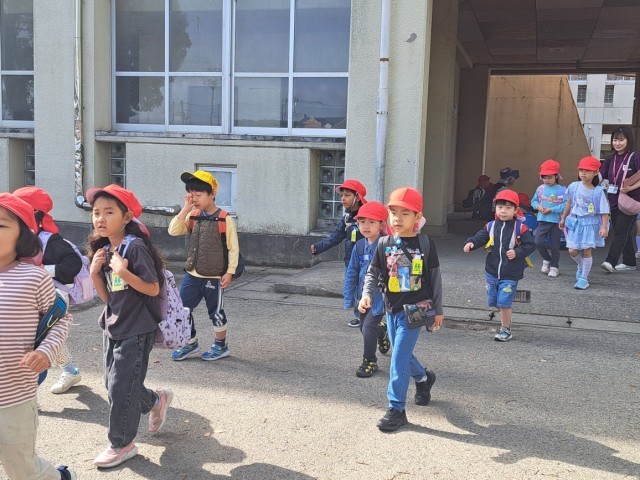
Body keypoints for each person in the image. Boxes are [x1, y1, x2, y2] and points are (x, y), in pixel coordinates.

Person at [86, 184, 173, 469]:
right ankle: (155, 400)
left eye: (109, 212)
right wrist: (95, 273)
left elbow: (152, 287)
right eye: (96, 212)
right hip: (113, 324)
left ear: (126, 217)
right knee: (113, 385)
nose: (100, 218)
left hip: (137, 328)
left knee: (121, 388)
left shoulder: (134, 247)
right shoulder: (105, 248)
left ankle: (121, 444)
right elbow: (108, 298)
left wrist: (123, 271)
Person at [0, 193, 76, 480]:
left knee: (21, 468)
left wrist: (46, 351)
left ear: (23, 237)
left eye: (1, 225)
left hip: (14, 396)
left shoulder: (33, 278)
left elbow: (61, 319)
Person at [359, 187, 444, 432]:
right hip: (391, 309)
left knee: (398, 359)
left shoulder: (425, 244)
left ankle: (396, 409)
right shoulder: (383, 243)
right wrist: (366, 294)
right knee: (401, 354)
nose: (397, 218)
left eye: (405, 213)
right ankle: (424, 378)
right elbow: (373, 273)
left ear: (417, 217)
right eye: (393, 212)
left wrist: (438, 310)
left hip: (416, 310)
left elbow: (435, 278)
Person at [13, 186, 84, 394]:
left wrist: (43, 271)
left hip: (54, 297)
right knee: (44, 337)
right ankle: (70, 371)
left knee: (40, 338)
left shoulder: (50, 240)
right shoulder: (17, 236)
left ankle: (27, 392)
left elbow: (73, 264)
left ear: (34, 213)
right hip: (27, 297)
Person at [168, 170, 240, 361]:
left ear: (212, 194)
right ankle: (190, 342)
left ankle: (220, 346)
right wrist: (185, 209)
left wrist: (230, 272)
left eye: (199, 194)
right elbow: (173, 230)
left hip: (214, 275)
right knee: (182, 309)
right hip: (193, 274)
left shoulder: (224, 218)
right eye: (191, 194)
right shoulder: (192, 215)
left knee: (215, 312)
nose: (194, 199)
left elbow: (233, 248)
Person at [463, 189, 536, 341]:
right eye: (500, 207)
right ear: (495, 208)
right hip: (492, 271)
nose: (503, 211)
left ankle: (505, 329)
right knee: (493, 301)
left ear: (515, 210)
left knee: (503, 303)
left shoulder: (520, 228)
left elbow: (531, 245)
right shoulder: (490, 226)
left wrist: (517, 252)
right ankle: (505, 313)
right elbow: (480, 238)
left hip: (511, 273)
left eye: (508, 208)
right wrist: (470, 243)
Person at [343, 201, 390, 378]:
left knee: (368, 326)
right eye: (362, 222)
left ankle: (370, 361)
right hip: (362, 297)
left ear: (382, 225)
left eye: (371, 222)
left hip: (380, 298)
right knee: (364, 327)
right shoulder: (359, 246)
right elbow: (352, 273)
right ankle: (382, 331)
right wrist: (349, 298)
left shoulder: (386, 246)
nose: (366, 226)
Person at [311, 179, 367, 327]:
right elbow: (335, 237)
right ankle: (360, 316)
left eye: (347, 195)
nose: (342, 199)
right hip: (351, 261)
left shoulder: (367, 217)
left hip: (367, 260)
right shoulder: (347, 219)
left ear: (357, 197)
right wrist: (318, 247)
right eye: (342, 195)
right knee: (354, 288)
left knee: (365, 288)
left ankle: (368, 317)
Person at [559, 157, 610, 289]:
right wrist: (563, 218)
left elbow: (604, 211)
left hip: (590, 224)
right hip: (576, 223)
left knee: (587, 251)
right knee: (572, 250)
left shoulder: (598, 191)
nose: (583, 173)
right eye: (581, 170)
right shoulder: (573, 186)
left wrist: (604, 227)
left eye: (587, 170)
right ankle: (581, 265)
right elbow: (569, 203)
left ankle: (584, 278)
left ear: (595, 172)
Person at [599, 126, 640, 272]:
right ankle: (629, 262)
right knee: (622, 231)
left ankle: (610, 261)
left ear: (628, 140)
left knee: (621, 231)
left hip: (630, 201)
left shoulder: (635, 157)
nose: (617, 143)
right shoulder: (610, 159)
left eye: (621, 140)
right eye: (615, 140)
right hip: (614, 201)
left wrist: (631, 188)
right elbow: (600, 177)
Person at [530, 160, 566, 278]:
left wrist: (552, 210)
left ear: (556, 176)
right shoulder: (540, 189)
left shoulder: (562, 190)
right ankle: (547, 259)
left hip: (556, 222)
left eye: (550, 177)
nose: (547, 180)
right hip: (542, 220)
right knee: (538, 241)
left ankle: (554, 267)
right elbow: (533, 201)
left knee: (555, 246)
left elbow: (566, 205)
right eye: (544, 177)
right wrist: (538, 207)